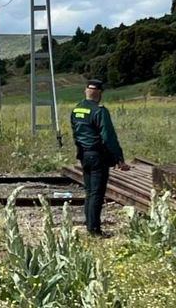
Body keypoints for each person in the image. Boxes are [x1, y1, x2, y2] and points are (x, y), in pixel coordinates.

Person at [70, 79, 129, 237]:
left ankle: (90, 225)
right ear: (100, 93)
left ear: (86, 91)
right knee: (97, 193)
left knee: (89, 192)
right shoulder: (100, 111)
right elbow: (108, 137)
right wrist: (119, 158)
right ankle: (94, 230)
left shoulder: (77, 109)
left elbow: (76, 133)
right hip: (97, 156)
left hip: (84, 154)